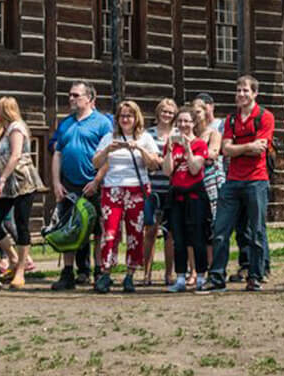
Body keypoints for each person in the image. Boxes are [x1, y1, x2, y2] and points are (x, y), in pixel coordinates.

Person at [206, 76, 275, 293]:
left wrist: (238, 146)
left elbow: (261, 148)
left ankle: (255, 276)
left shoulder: (265, 117)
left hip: (257, 180)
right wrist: (248, 146)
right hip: (233, 180)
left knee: (255, 231)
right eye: (238, 91)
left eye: (245, 91)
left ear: (255, 93)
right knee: (220, 230)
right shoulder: (231, 120)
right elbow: (225, 150)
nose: (241, 94)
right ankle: (217, 277)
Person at [86, 100, 161, 294]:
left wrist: (139, 149)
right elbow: (95, 163)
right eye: (122, 116)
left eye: (129, 115)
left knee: (135, 233)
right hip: (112, 189)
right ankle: (106, 273)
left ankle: (130, 274)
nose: (125, 119)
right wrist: (108, 150)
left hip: (137, 189)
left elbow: (154, 164)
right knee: (109, 232)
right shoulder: (108, 137)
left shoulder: (145, 138)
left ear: (136, 118)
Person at [49, 82, 112, 290]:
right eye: (70, 95)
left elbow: (109, 156)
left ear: (89, 98)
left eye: (76, 95)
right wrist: (56, 183)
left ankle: (99, 273)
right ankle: (68, 273)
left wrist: (97, 181)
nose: (71, 99)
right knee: (69, 229)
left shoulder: (102, 123)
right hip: (69, 185)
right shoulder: (66, 123)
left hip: (93, 183)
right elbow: (57, 153)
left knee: (98, 230)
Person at [0, 101, 40, 289]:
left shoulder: (16, 127)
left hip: (20, 181)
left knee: (21, 222)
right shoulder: (4, 129)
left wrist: (1, 179)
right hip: (5, 185)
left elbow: (15, 155)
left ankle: (21, 270)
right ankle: (14, 258)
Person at [163, 108, 213, 291]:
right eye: (180, 121)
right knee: (178, 238)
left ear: (193, 123)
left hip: (195, 196)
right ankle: (181, 278)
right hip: (177, 195)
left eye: (187, 121)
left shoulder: (200, 144)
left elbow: (194, 169)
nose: (183, 125)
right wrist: (169, 150)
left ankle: (200, 275)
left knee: (198, 236)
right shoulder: (171, 143)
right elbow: (167, 171)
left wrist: (188, 148)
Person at [145, 98, 180, 285]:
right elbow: (145, 158)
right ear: (158, 112)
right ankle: (147, 273)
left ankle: (168, 273)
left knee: (170, 234)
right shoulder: (148, 134)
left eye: (170, 112)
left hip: (171, 187)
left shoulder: (177, 134)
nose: (167, 115)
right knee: (150, 231)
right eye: (164, 111)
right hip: (152, 187)